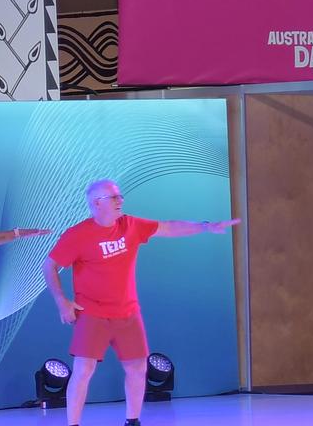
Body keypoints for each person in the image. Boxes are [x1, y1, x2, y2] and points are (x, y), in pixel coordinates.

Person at [44, 179, 239, 426]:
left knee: (137, 369)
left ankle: (132, 421)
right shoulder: (78, 234)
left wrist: (206, 227)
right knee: (83, 371)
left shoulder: (130, 225)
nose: (120, 201)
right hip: (92, 312)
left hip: (128, 313)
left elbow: (168, 228)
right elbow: (50, 265)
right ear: (97, 203)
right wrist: (62, 301)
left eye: (120, 196)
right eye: (114, 197)